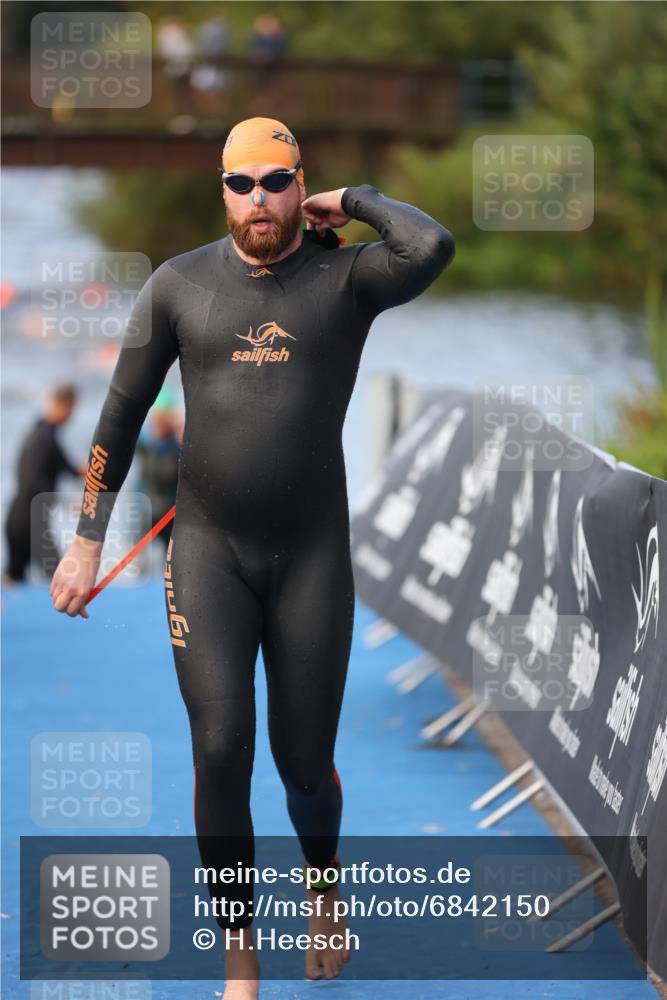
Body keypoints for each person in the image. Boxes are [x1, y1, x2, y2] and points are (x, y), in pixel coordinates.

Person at [50, 116, 455, 997]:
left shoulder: (345, 277)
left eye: (275, 182)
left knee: (303, 767)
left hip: (313, 557)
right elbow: (118, 418)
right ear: (221, 190)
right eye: (240, 184)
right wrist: (86, 541)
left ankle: (323, 888)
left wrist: (353, 203)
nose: (258, 200)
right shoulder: (178, 285)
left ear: (298, 185)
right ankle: (240, 951)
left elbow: (431, 244)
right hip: (208, 552)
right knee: (220, 747)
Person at [4, 383, 85, 584]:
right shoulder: (46, 439)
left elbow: (73, 471)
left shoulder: (40, 433)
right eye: (72, 409)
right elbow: (34, 482)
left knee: (13, 580)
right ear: (65, 405)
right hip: (29, 522)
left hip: (17, 517)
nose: (72, 415)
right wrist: (68, 503)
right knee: (61, 581)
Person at [135, 387, 182, 553]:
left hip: (169, 510)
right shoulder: (144, 442)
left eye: (164, 418)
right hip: (145, 505)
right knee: (138, 555)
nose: (159, 423)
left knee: (170, 555)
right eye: (157, 419)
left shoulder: (178, 446)